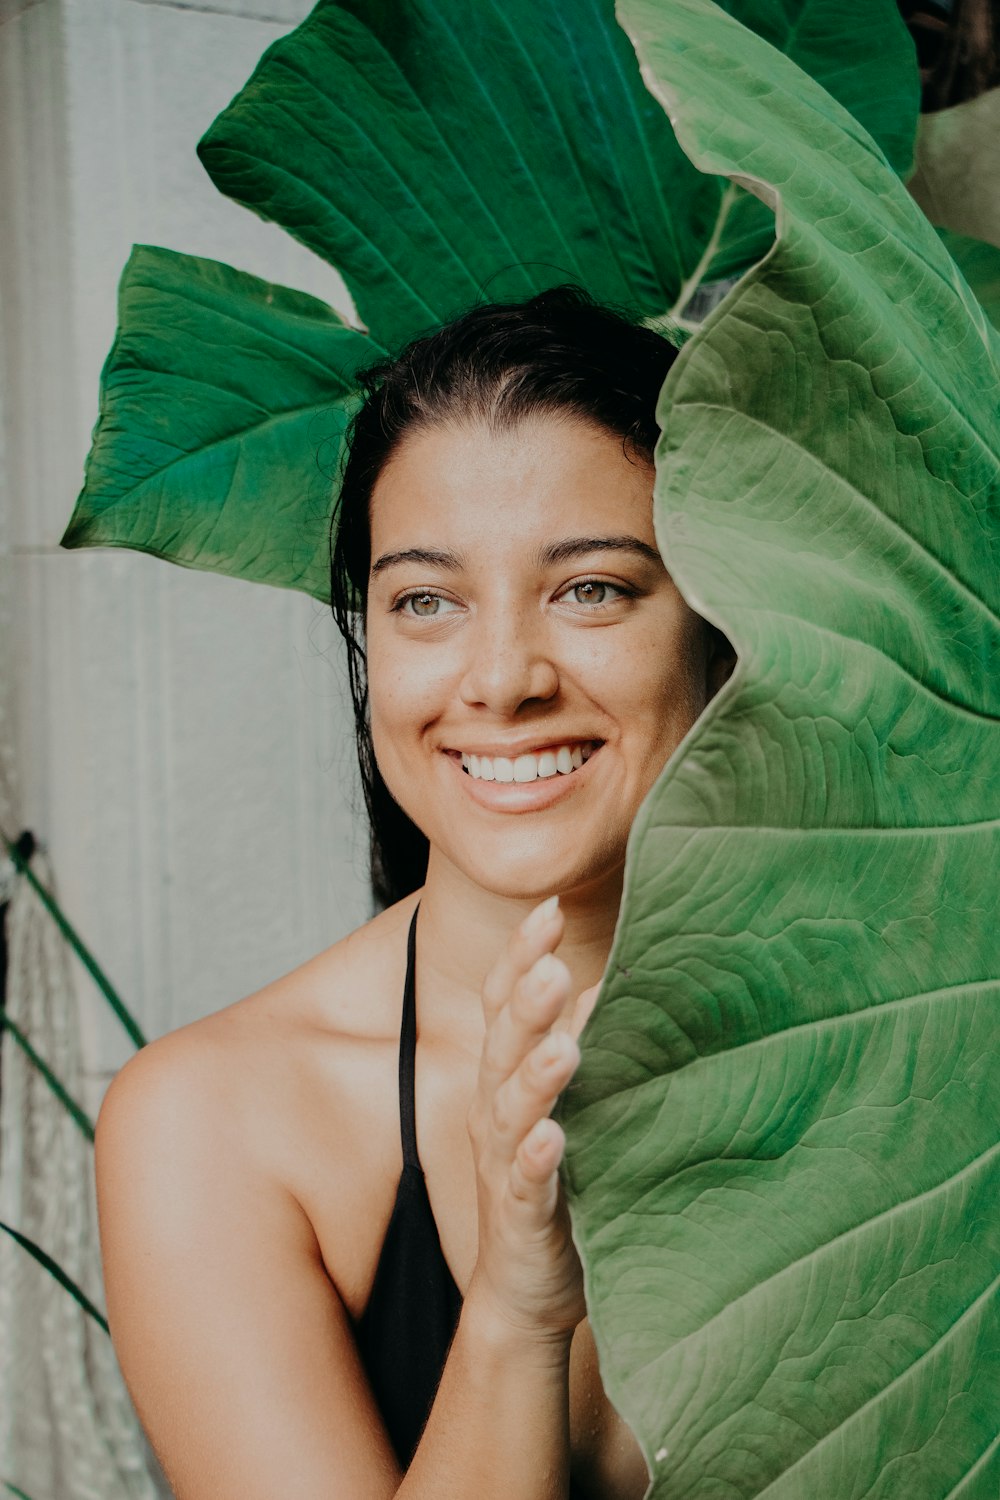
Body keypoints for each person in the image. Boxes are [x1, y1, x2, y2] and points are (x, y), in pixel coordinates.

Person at [94, 285, 736, 1499]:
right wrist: (513, 1308)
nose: (499, 679)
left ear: (714, 622)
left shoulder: (911, 1030)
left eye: (591, 587)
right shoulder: (212, 1123)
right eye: (425, 602)